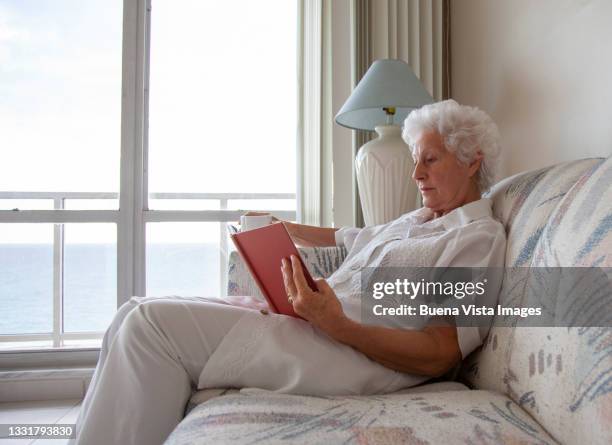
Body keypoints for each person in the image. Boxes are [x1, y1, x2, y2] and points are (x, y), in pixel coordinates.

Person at [72, 99, 506, 445]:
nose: (415, 174)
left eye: (429, 160)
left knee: (150, 327)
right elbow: (347, 237)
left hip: (351, 356)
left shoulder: (477, 238)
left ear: (471, 162)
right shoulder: (416, 221)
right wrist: (281, 228)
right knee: (135, 309)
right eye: (415, 160)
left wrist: (337, 325)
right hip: (315, 329)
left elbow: (441, 353)